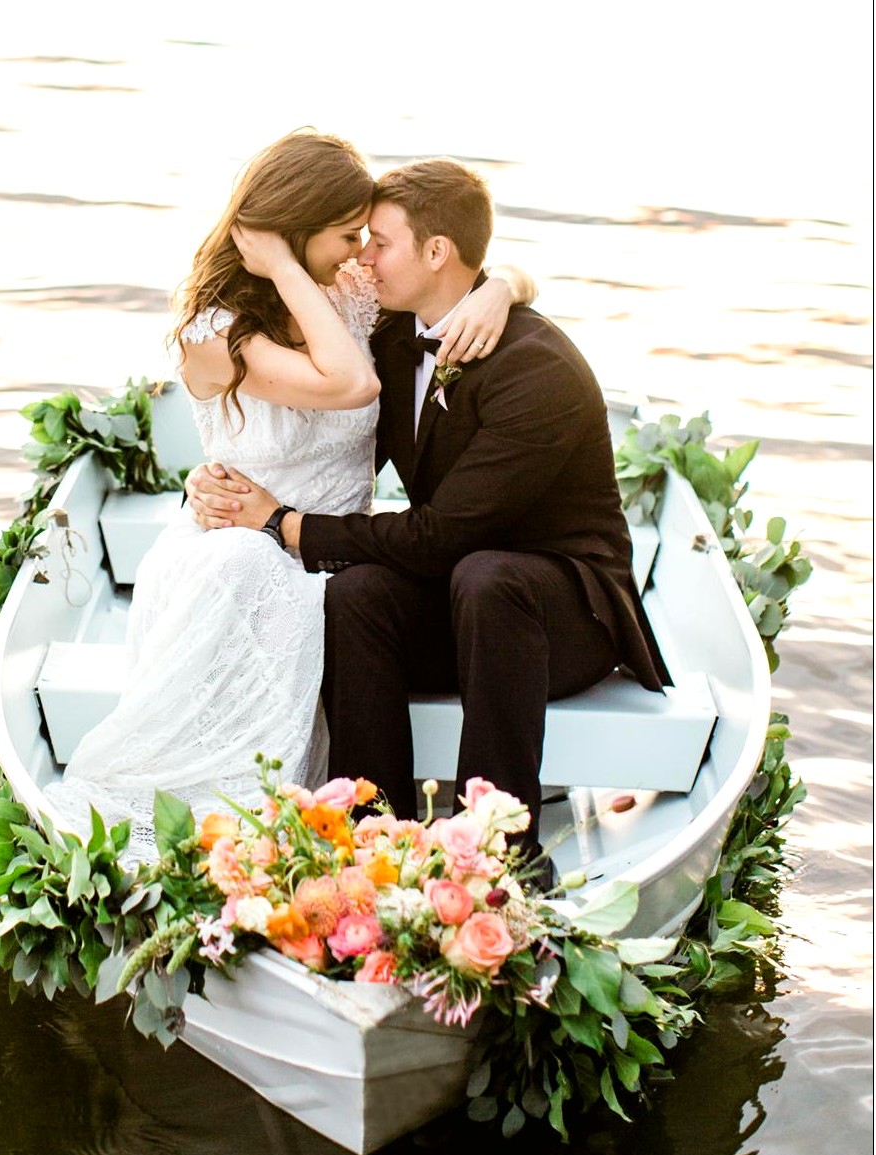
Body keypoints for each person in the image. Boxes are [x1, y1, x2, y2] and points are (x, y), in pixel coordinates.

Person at [48, 133, 533, 857]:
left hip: (334, 554)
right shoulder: (213, 333)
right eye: (345, 236)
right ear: (296, 231)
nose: (359, 253)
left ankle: (364, 827)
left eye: (367, 237)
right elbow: (352, 385)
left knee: (339, 592)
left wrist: (503, 288)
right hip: (239, 549)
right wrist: (277, 263)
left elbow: (467, 271)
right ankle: (219, 814)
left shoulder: (356, 296)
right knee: (245, 565)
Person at [186, 158, 670, 870]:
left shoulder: (540, 372)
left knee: (487, 576)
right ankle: (376, 833)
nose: (361, 256)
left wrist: (285, 524)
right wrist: (217, 477)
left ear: (436, 252)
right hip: (461, 595)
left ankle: (495, 851)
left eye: (378, 242)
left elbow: (444, 534)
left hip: (563, 618)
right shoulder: (390, 331)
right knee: (356, 594)